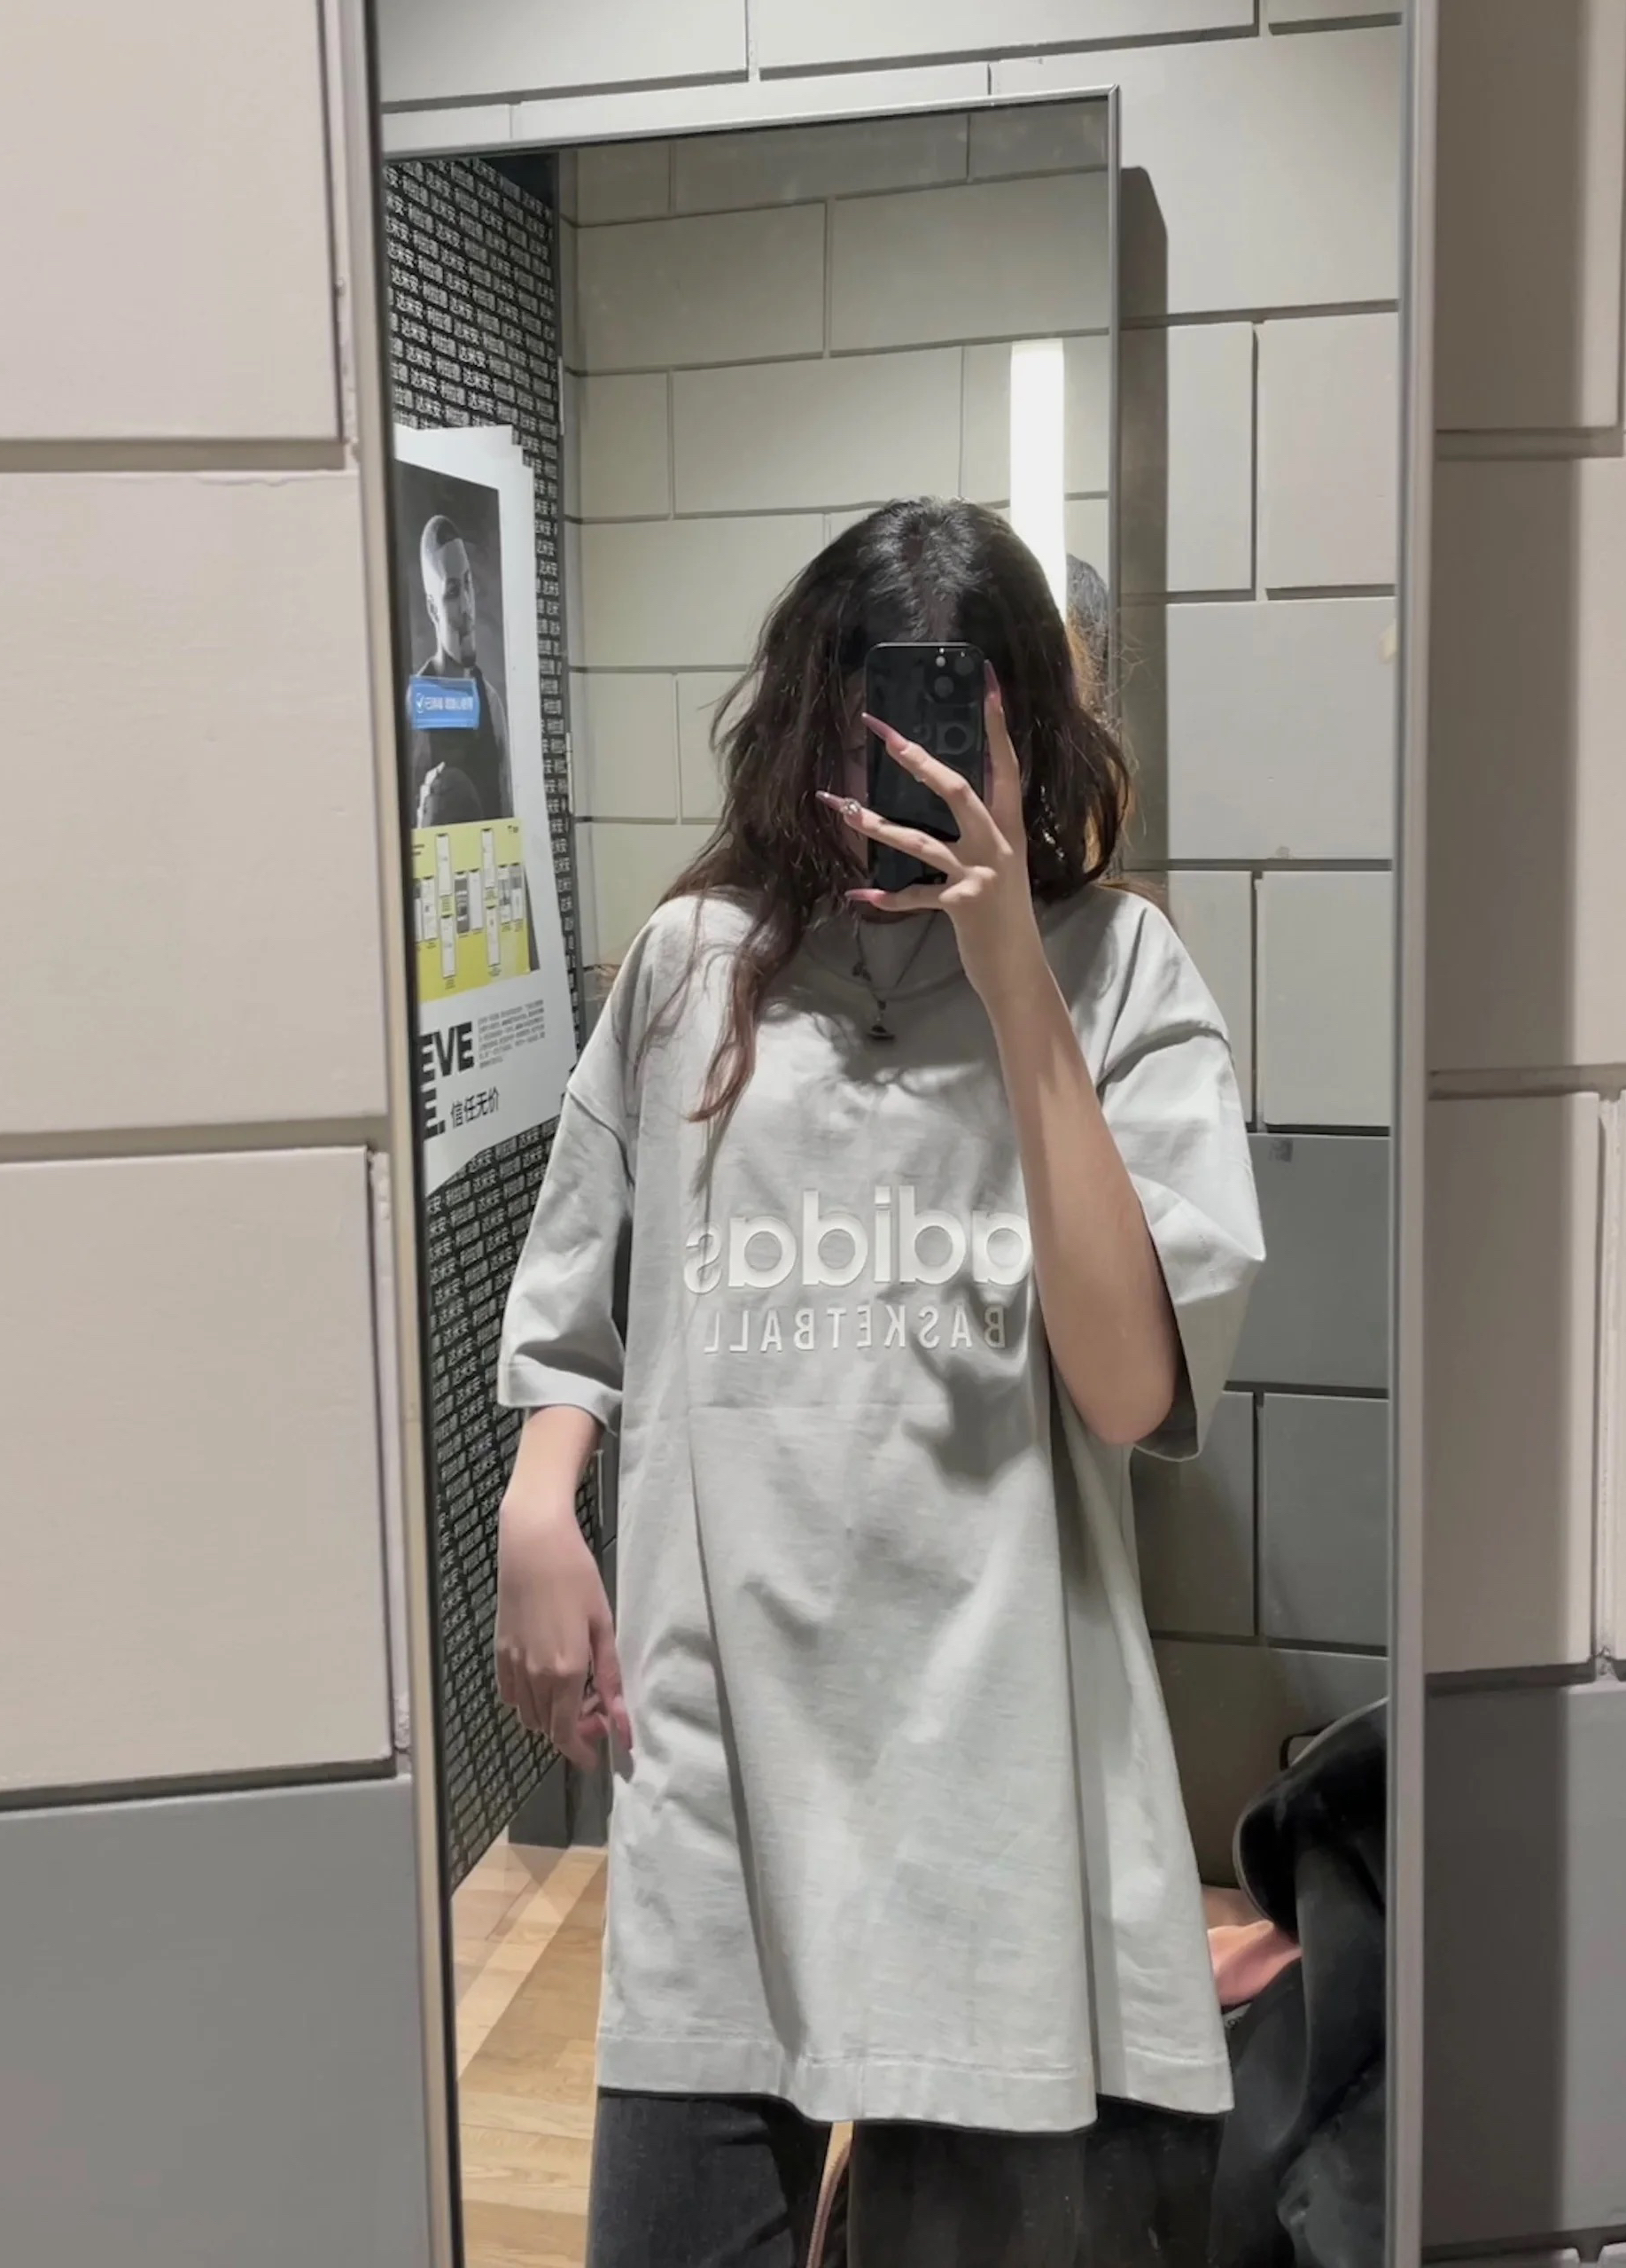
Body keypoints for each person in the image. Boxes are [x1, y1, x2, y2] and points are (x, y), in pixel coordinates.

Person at [494, 498, 1264, 2267]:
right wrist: (543, 1498)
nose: (898, 771)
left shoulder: (1117, 971)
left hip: (999, 1785)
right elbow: (582, 1275)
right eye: (868, 722)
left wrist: (1012, 974)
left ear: (1024, 735)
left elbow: (1130, 1384)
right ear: (806, 720)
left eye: (947, 728)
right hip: (718, 1759)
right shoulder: (695, 965)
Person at [408, 512, 514, 826]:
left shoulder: (490, 702)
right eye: (452, 592)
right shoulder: (416, 704)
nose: (467, 607)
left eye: (468, 584)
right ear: (432, 608)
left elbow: (506, 810)